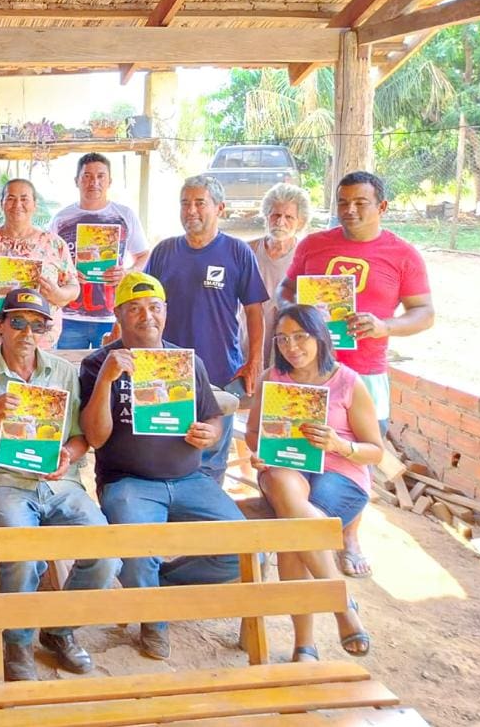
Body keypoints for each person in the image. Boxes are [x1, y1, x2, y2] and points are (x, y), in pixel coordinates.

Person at [0, 287, 119, 680]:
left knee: (106, 551)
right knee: (22, 554)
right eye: (17, 322)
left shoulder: (62, 372)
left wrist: (68, 456)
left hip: (60, 483)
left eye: (37, 325)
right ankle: (17, 640)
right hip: (2, 482)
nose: (27, 332)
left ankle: (59, 630)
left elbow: (80, 437)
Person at [79, 272, 244, 661]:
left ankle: (158, 585)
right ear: (118, 314)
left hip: (190, 479)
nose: (146, 317)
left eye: (154, 308)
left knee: (244, 549)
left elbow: (214, 418)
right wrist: (106, 380)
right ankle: (153, 619)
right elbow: (96, 439)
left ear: (166, 312)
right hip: (128, 483)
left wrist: (210, 433)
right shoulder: (97, 364)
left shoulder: (185, 363)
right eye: (134, 309)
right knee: (137, 550)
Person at [280, 170, 434, 578]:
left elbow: (424, 313)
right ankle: (299, 524)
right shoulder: (314, 245)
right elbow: (286, 290)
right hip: (309, 370)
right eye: (343, 202)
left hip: (364, 371)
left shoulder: (402, 255)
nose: (349, 210)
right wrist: (296, 312)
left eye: (360, 203)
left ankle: (349, 536)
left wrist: (387, 326)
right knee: (300, 447)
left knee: (358, 456)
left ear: (381, 206)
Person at [245, 304, 377, 661]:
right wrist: (260, 452)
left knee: (294, 532)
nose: (292, 346)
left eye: (300, 336)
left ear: (320, 335)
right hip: (286, 468)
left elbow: (375, 452)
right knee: (288, 494)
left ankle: (306, 643)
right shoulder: (273, 378)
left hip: (341, 475)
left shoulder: (348, 381)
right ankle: (341, 605)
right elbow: (254, 434)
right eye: (283, 339)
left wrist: (339, 445)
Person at [144, 175, 268, 483]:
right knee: (163, 450)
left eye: (200, 203)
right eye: (185, 203)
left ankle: (204, 523)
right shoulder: (164, 251)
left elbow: (255, 310)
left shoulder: (238, 252)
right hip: (167, 371)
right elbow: (144, 302)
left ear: (220, 208)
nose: (191, 211)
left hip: (220, 373)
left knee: (210, 460)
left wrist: (254, 361)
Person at [0, 179, 80, 349]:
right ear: (2, 203)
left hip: (40, 339)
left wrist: (58, 294)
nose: (17, 204)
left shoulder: (54, 244)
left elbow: (73, 286)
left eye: (24, 199)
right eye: (11, 198)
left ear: (35, 204)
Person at [49, 153, 150, 349]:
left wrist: (128, 273)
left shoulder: (125, 215)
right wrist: (64, 274)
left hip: (113, 316)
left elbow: (143, 254)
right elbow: (48, 261)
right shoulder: (61, 219)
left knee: (110, 373)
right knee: (68, 373)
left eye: (100, 176)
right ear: (76, 181)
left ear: (109, 181)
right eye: (87, 176)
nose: (93, 182)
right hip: (69, 315)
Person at [247, 183, 312, 368]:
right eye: (275, 215)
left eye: (289, 217)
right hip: (249, 337)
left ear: (301, 222)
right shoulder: (247, 250)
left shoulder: (305, 255)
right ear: (267, 217)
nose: (280, 222)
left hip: (289, 340)